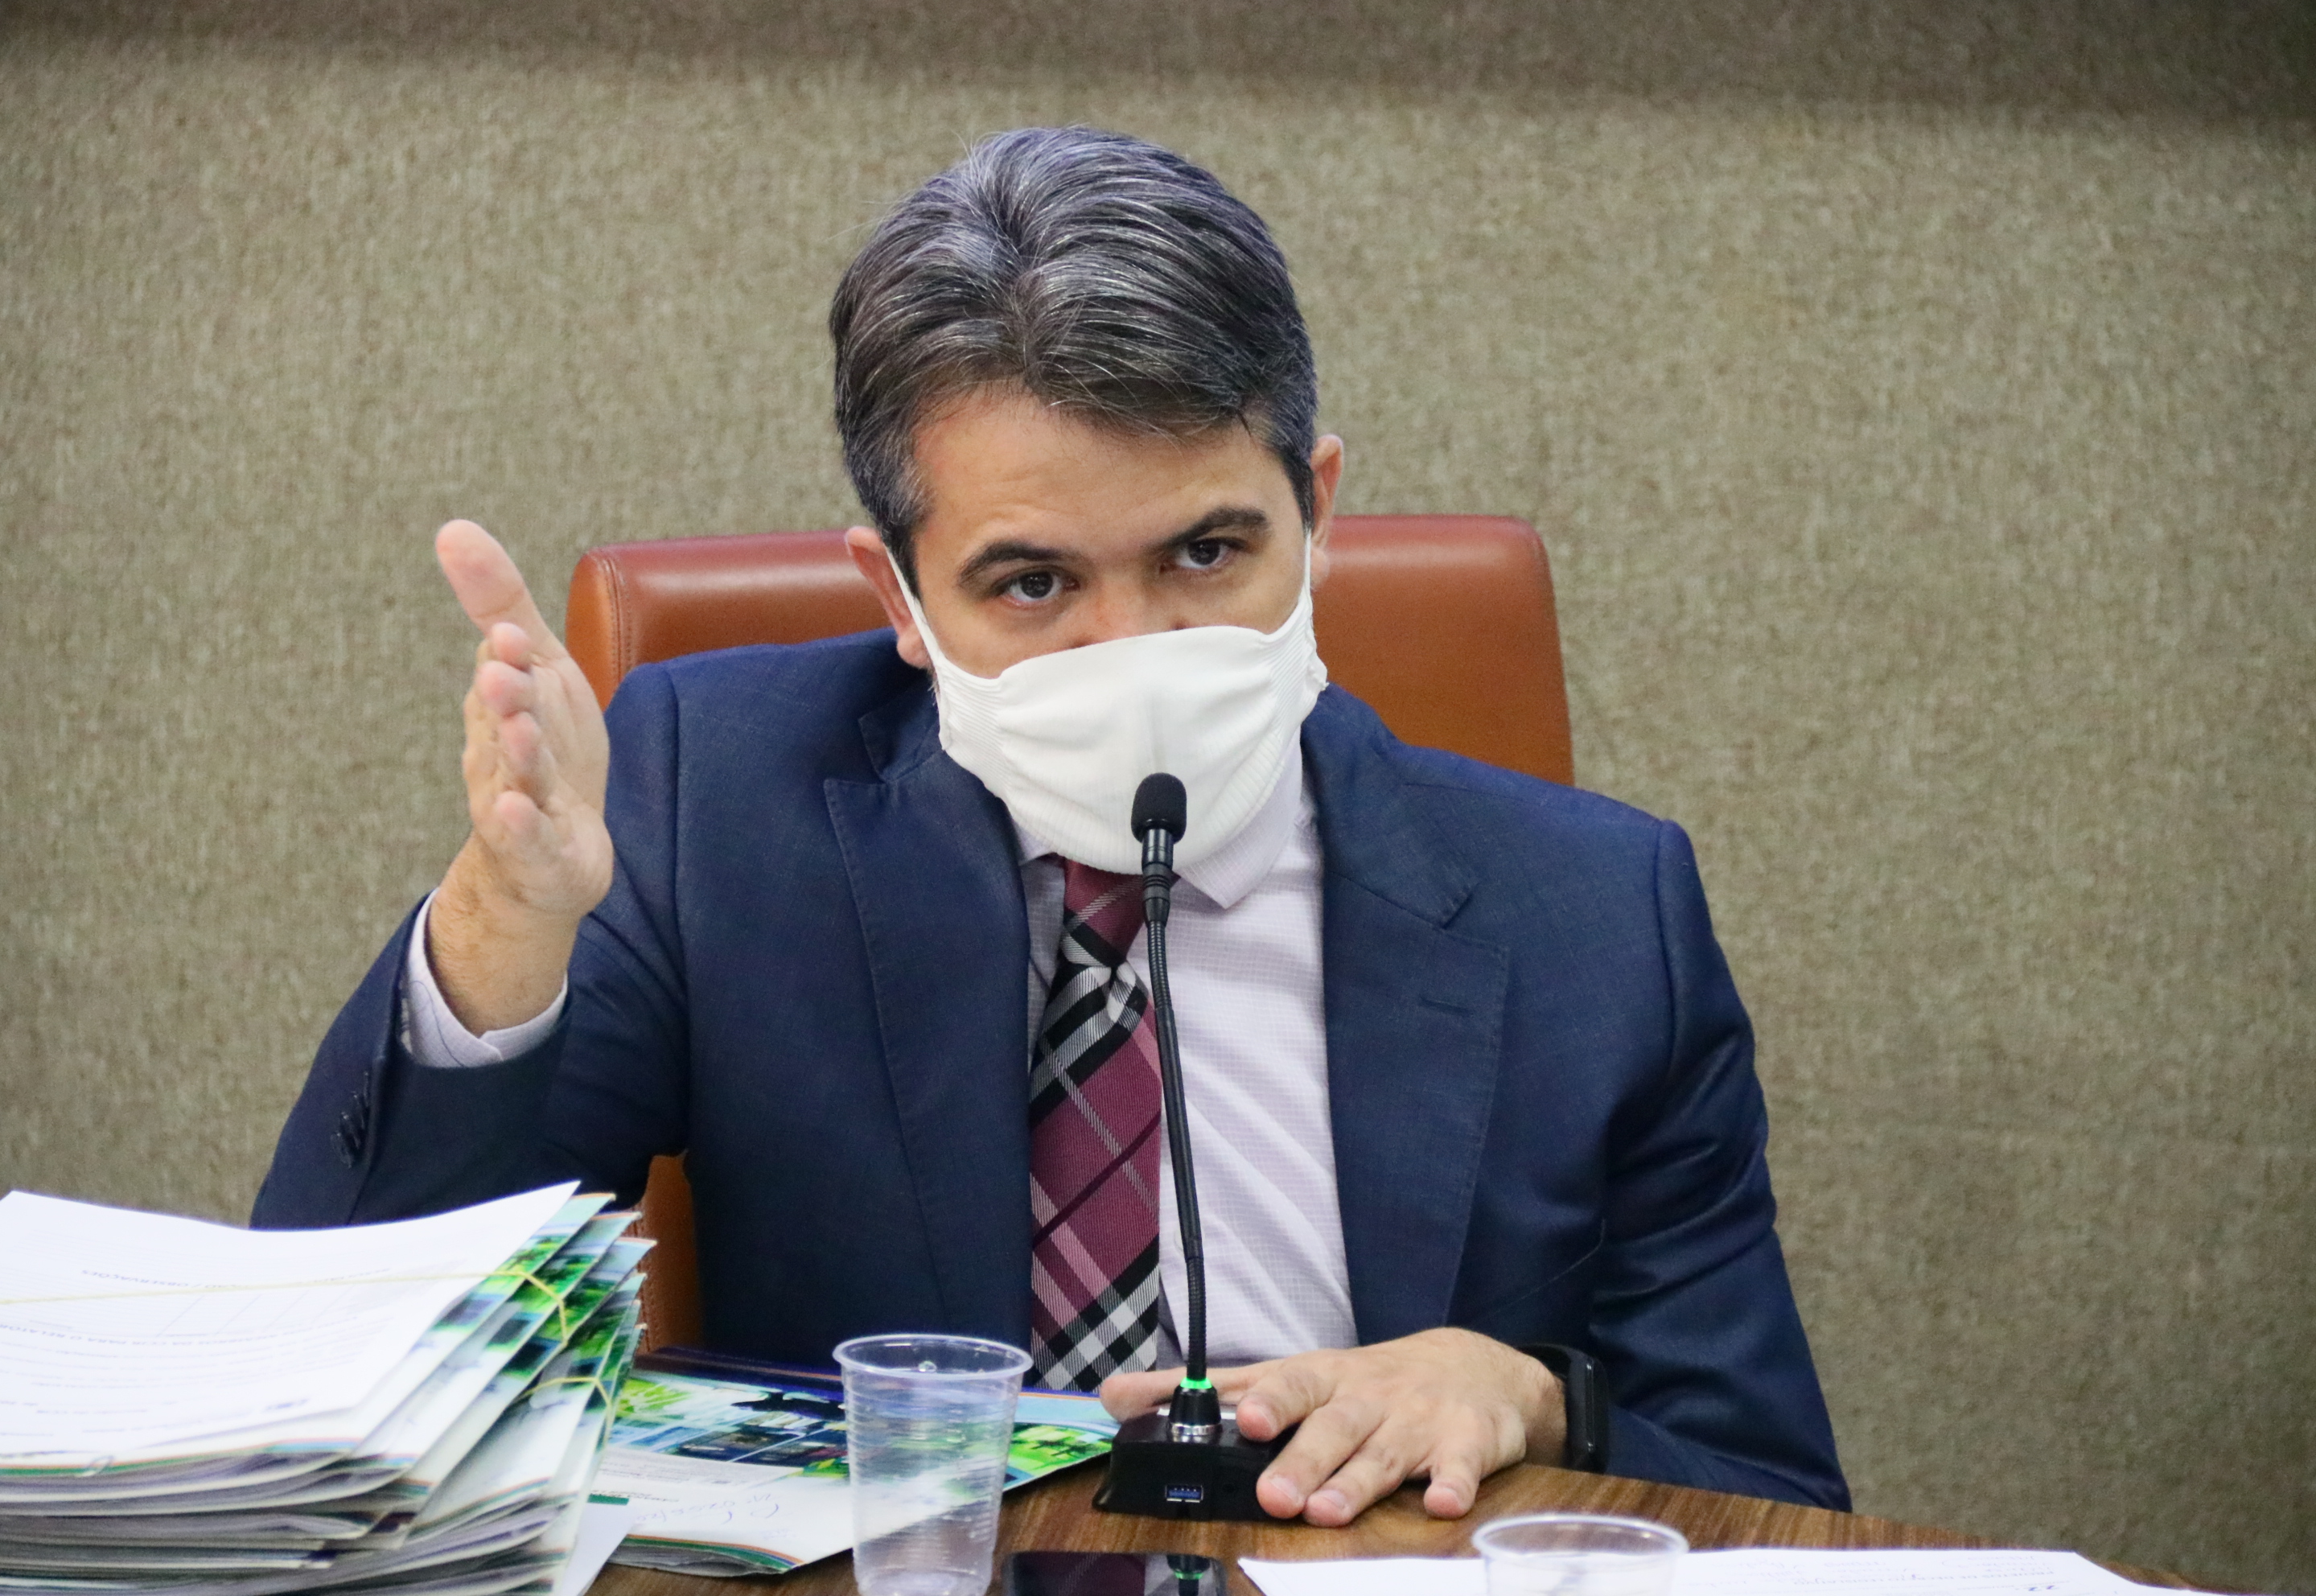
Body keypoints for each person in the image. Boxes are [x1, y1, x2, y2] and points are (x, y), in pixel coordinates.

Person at [257, 126, 1847, 1523]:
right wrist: (510, 917)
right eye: (1032, 583)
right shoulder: (716, 795)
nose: (1131, 649)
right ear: (898, 596)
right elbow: (358, 1359)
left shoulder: (1597, 914)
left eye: (1208, 553)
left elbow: (1765, 1487)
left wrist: (1536, 1395)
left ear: (1319, 515)